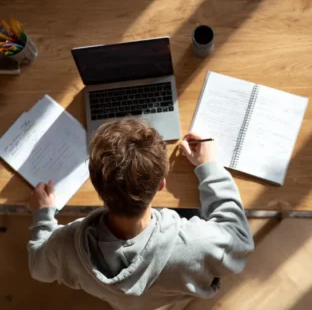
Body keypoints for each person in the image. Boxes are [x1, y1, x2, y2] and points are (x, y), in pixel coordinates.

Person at [28, 118, 254, 310]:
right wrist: (209, 167)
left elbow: (39, 268)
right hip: (169, 290)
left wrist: (43, 216)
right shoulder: (197, 244)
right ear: (161, 185)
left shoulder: (66, 244)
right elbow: (239, 240)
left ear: (96, 185)